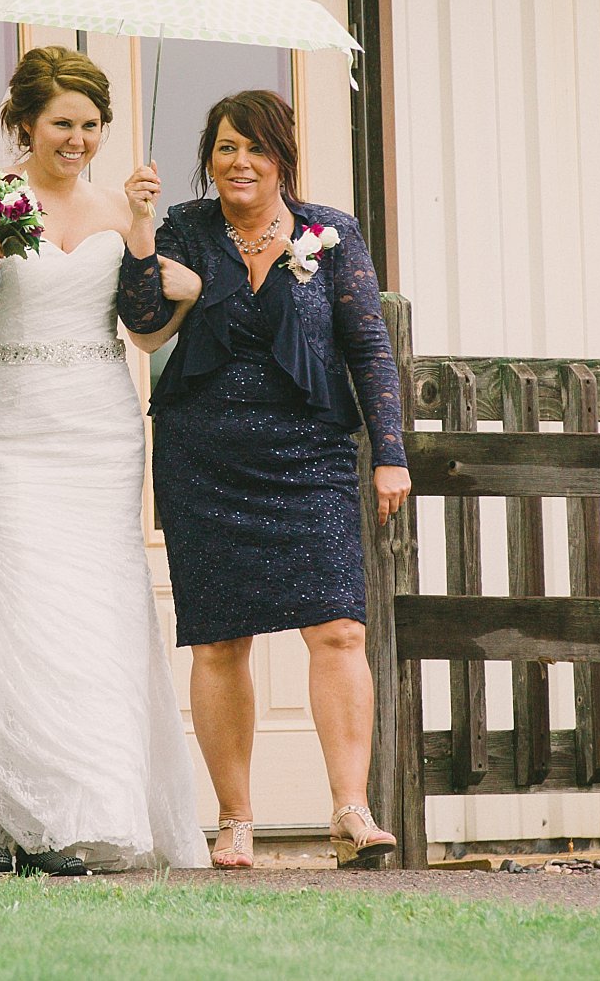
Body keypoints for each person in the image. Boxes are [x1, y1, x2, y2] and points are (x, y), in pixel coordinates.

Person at [0, 47, 209, 876]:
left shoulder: (122, 206)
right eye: (62, 123)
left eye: (91, 125)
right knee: (13, 596)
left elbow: (141, 329)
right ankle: (0, 817)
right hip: (5, 426)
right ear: (23, 123)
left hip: (97, 429)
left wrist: (160, 258)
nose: (77, 139)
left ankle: (87, 810)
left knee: (95, 606)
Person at [117, 89, 412, 870]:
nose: (238, 162)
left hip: (309, 453)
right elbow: (141, 319)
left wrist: (391, 452)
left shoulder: (330, 233)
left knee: (339, 627)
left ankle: (351, 810)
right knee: (219, 641)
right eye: (223, 148)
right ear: (207, 160)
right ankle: (236, 818)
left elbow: (367, 346)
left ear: (282, 156)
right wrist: (141, 226)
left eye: (254, 147)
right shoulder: (185, 227)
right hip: (204, 454)